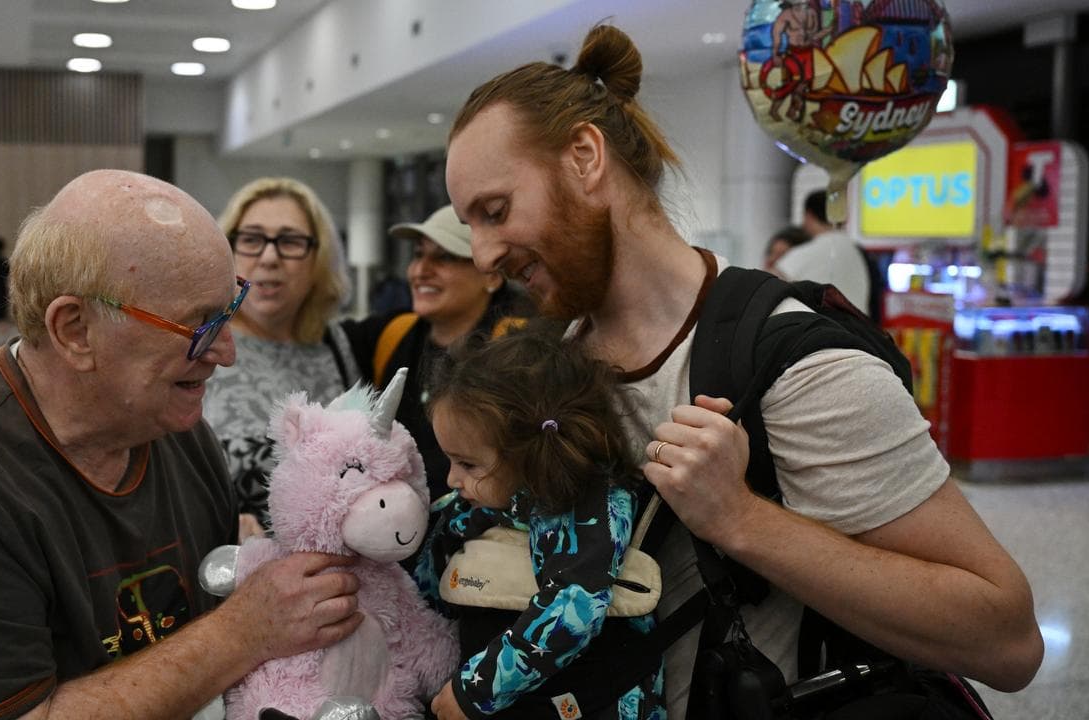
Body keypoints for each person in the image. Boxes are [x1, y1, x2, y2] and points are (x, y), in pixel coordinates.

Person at [443, 24, 1043, 718]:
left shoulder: (799, 368)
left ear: (585, 157)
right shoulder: (557, 359)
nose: (483, 254)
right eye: (472, 226)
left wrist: (741, 520)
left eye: (495, 211)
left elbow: (1009, 642)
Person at [0, 169, 363, 719]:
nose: (227, 351)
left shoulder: (178, 435)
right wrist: (244, 630)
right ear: (75, 330)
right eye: (199, 323)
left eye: (230, 308)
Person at [418, 328, 664, 720]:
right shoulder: (476, 501)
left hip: (601, 701)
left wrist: (474, 690)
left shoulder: (590, 507)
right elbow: (428, 583)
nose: (451, 479)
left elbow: (572, 608)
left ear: (532, 455)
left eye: (467, 464)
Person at [204, 177, 360, 539]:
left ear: (317, 259)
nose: (269, 257)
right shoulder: (199, 342)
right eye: (252, 239)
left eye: (289, 242)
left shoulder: (335, 342)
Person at [343, 204, 525, 504]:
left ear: (492, 276)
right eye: (418, 255)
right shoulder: (394, 333)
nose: (420, 270)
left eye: (445, 257)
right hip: (394, 532)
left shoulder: (517, 348)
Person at [775, 189, 874, 315]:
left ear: (808, 215)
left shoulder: (808, 252)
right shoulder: (857, 251)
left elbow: (771, 284)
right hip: (858, 330)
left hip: (821, 329)